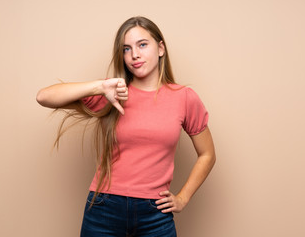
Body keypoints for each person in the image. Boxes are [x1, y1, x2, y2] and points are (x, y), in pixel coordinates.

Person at [36, 16, 216, 237]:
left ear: (160, 48)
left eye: (142, 45)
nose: (134, 55)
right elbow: (44, 97)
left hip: (155, 214)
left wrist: (182, 198)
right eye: (126, 49)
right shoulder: (113, 92)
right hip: (104, 208)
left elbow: (207, 154)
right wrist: (100, 87)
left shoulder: (184, 98)